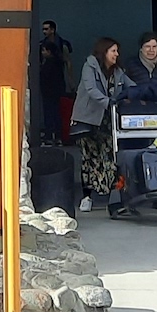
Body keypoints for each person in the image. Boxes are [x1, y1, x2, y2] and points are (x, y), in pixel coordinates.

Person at [68, 37, 126, 210]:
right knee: (89, 159)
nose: (117, 54)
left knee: (109, 158)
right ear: (104, 52)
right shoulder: (90, 66)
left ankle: (113, 197)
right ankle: (87, 197)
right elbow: (91, 89)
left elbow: (129, 86)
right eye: (113, 51)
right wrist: (109, 102)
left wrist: (145, 93)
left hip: (107, 122)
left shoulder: (118, 72)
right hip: (87, 120)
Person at [36, 21, 74, 143]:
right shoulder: (42, 45)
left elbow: (67, 62)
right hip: (50, 83)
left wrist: (70, 81)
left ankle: (56, 135)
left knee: (56, 109)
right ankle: (52, 134)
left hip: (57, 81)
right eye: (43, 29)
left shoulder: (62, 44)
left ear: (53, 30)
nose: (44, 32)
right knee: (50, 109)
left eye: (46, 29)